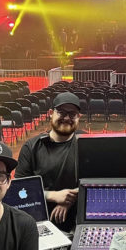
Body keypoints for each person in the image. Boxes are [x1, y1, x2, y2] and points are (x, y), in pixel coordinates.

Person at [15, 92, 84, 232]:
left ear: (79, 117)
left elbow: (98, 182)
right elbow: (19, 190)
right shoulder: (32, 147)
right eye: (62, 112)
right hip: (41, 223)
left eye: (72, 114)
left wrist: (68, 200)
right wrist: (54, 196)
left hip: (79, 223)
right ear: (51, 113)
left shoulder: (87, 143)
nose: (66, 118)